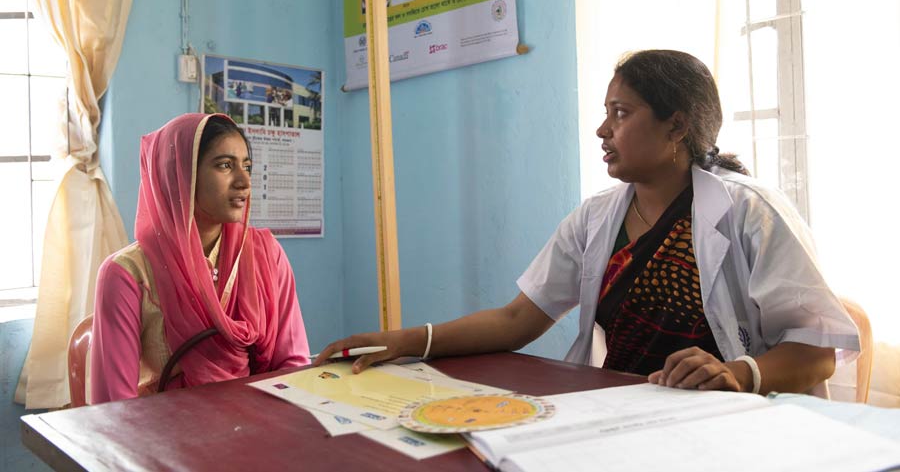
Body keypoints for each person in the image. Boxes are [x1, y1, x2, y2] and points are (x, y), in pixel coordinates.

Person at [315, 50, 859, 395]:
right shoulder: (598, 217)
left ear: (676, 126)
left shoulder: (749, 212)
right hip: (624, 417)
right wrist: (407, 340)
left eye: (621, 113)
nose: (603, 129)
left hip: (734, 432)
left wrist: (740, 373)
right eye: (605, 112)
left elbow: (816, 353)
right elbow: (516, 321)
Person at [91, 113, 310, 403]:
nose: (244, 182)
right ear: (179, 173)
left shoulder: (265, 255)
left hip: (256, 427)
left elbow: (293, 368)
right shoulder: (128, 275)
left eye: (247, 166)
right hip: (162, 436)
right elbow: (114, 408)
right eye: (225, 166)